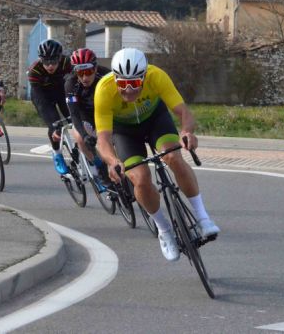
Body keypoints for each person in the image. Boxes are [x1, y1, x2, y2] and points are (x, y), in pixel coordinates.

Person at [94, 47, 219, 262]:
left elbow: (184, 112)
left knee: (173, 157)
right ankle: (164, 230)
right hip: (125, 132)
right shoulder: (104, 90)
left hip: (155, 121)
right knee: (140, 179)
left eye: (134, 83)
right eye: (122, 83)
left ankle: (203, 218)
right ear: (115, 79)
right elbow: (103, 139)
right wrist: (112, 160)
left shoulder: (156, 76)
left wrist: (186, 132)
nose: (128, 90)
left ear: (144, 77)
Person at [60, 48, 111, 189]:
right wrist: (84, 135)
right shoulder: (71, 84)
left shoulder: (107, 75)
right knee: (80, 139)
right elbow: (74, 114)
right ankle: (99, 166)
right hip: (85, 114)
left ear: (95, 68)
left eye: (88, 72)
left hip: (106, 112)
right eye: (80, 73)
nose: (84, 78)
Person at [28, 39, 72, 175]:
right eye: (46, 62)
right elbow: (41, 102)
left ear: (60, 58)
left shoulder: (67, 63)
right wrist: (54, 125)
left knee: (76, 118)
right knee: (55, 125)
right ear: (41, 60)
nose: (50, 66)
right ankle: (57, 154)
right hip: (43, 96)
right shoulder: (34, 70)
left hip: (62, 92)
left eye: (53, 61)